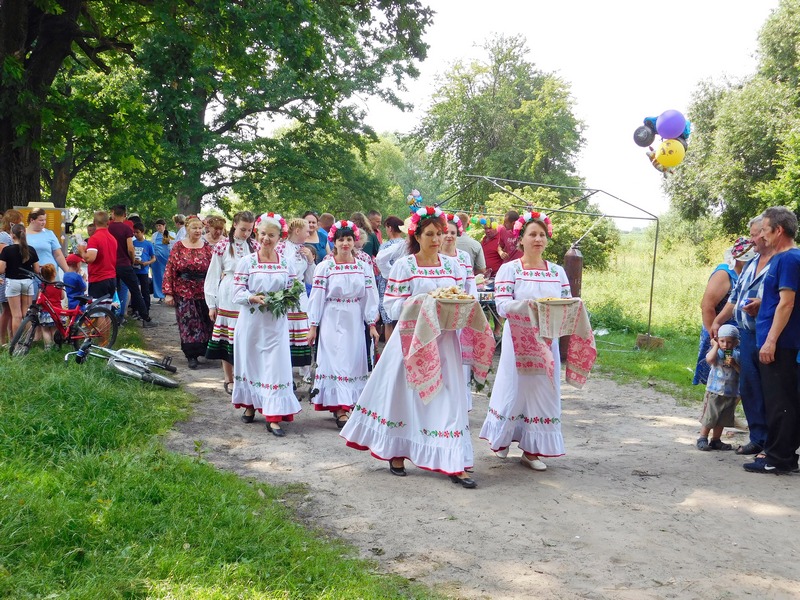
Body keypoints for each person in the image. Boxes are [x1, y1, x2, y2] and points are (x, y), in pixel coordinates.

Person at [340, 206, 477, 488]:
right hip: (411, 341)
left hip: (445, 342)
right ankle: (398, 450)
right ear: (416, 234)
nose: (437, 239)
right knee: (404, 398)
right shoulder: (405, 265)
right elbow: (389, 305)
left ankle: (454, 461)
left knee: (449, 400)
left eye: (440, 234)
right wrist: (422, 302)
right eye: (430, 234)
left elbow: (462, 296)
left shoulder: (454, 266)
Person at [479, 211, 571, 472]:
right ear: (521, 239)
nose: (538, 239)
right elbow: (502, 304)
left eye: (542, 235)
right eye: (532, 234)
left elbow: (565, 302)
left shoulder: (557, 272)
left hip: (546, 339)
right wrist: (529, 307)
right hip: (517, 339)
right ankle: (503, 438)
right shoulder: (510, 269)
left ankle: (532, 450)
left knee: (542, 390)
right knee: (514, 387)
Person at [231, 213, 302, 436]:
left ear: (279, 237)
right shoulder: (247, 262)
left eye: (271, 235)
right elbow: (237, 291)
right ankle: (250, 405)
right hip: (252, 322)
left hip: (275, 324)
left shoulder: (286, 263)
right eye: (262, 234)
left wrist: (288, 298)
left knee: (274, 367)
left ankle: (273, 416)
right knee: (252, 363)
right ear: (257, 234)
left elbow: (293, 289)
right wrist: (252, 297)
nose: (266, 239)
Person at [307, 220, 379, 429]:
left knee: (353, 360)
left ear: (354, 241)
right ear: (334, 242)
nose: (345, 243)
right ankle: (339, 408)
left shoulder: (363, 267)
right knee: (335, 360)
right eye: (341, 239)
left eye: (349, 239)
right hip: (332, 317)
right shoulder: (325, 267)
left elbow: (370, 296)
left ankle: (349, 403)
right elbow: (317, 297)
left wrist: (371, 323)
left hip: (354, 318)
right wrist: (313, 325)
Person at [744, 206, 800, 474]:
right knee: (778, 400)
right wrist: (762, 302)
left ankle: (778, 459)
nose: (761, 235)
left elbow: (787, 304)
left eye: (765, 230)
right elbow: (780, 299)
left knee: (780, 402)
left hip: (781, 343)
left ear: (779, 230)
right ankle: (783, 456)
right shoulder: (783, 259)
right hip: (774, 339)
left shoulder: (789, 259)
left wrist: (770, 341)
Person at [711, 216, 771, 455]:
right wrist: (718, 320)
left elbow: (788, 300)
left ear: (768, 235)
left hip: (769, 335)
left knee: (772, 390)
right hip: (747, 334)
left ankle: (774, 444)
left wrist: (763, 303)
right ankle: (758, 438)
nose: (752, 240)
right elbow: (735, 297)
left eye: (756, 234)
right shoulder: (752, 261)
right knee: (749, 387)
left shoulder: (782, 261)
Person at [204, 211, 257, 394]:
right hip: (228, 291)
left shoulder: (255, 246)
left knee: (247, 335)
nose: (246, 233)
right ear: (235, 224)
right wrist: (211, 303)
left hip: (249, 292)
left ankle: (246, 374)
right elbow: (212, 275)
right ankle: (229, 377)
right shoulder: (223, 246)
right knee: (227, 336)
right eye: (243, 229)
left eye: (249, 230)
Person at [692, 238, 751, 385]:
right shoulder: (724, 273)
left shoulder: (743, 274)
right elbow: (707, 306)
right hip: (720, 335)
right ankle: (714, 405)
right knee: (719, 375)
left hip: (734, 335)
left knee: (733, 374)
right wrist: (715, 337)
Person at [163, 215, 214, 369]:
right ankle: (191, 355)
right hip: (184, 291)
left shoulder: (207, 248)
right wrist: (168, 293)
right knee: (188, 323)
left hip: (204, 290)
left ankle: (205, 350)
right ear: (187, 229)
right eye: (194, 228)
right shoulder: (178, 246)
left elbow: (214, 270)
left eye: (200, 228)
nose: (198, 231)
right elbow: (170, 269)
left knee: (205, 322)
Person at [441, 213, 477, 410]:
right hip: (440, 313)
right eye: (445, 232)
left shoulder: (463, 257)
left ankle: (460, 403)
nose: (449, 236)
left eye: (453, 233)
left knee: (460, 359)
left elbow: (470, 283)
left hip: (460, 312)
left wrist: (471, 306)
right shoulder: (433, 256)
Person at [277, 218, 315, 382]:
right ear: (297, 231)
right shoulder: (280, 247)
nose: (309, 233)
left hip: (300, 294)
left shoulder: (304, 250)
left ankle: (305, 371)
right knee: (284, 329)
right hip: (283, 293)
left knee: (302, 331)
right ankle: (284, 371)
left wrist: (311, 261)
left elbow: (311, 278)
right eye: (307, 230)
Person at [108, 205, 154, 326]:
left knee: (113, 292)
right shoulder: (126, 229)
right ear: (125, 215)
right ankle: (145, 318)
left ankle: (113, 318)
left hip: (111, 264)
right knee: (135, 290)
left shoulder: (108, 227)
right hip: (124, 264)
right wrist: (132, 260)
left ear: (113, 214)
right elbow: (130, 248)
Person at [696, 324, 740, 451]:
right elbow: (709, 360)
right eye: (722, 341)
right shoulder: (717, 353)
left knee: (723, 418)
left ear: (736, 342)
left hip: (730, 392)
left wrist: (734, 364)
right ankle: (702, 438)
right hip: (715, 390)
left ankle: (716, 440)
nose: (725, 345)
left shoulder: (737, 355)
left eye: (729, 342)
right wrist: (715, 345)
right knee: (710, 416)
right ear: (717, 340)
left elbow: (742, 372)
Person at [0, 224, 40, 335]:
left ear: (12, 235)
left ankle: (16, 343)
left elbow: (1, 269)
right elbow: (37, 269)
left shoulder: (7, 250)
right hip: (27, 283)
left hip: (12, 282)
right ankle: (26, 342)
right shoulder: (31, 249)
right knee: (26, 314)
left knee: (16, 315)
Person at [376, 215, 405, 340]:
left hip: (387, 283)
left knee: (388, 321)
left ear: (390, 228)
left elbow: (380, 262)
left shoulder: (385, 246)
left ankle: (389, 349)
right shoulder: (407, 244)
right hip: (403, 282)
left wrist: (389, 274)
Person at [77, 211, 117, 300]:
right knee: (107, 310)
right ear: (108, 222)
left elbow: (90, 258)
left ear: (94, 222)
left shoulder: (94, 238)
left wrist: (82, 251)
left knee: (97, 311)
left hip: (98, 279)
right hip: (111, 278)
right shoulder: (112, 238)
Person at [0, 209, 23, 345]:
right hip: (4, 276)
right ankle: (2, 339)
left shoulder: (9, 236)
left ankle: (10, 336)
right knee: (7, 311)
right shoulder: (4, 236)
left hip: (9, 276)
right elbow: (3, 256)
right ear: (12, 223)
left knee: (9, 310)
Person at [26, 208, 69, 278]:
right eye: (41, 220)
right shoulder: (23, 234)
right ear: (32, 220)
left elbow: (58, 255)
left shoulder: (49, 233)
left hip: (50, 273)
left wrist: (67, 272)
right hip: (32, 274)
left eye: (45, 220)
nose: (44, 222)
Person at [37, 263, 65, 350]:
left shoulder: (42, 286)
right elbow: (62, 297)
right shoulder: (58, 285)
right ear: (54, 274)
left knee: (45, 330)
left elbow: (39, 298)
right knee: (54, 330)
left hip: (45, 312)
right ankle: (56, 346)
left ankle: (48, 347)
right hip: (56, 312)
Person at [132, 223, 156, 318]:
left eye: (137, 232)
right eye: (134, 232)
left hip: (144, 271)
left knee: (145, 290)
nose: (135, 234)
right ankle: (135, 309)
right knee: (134, 290)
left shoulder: (148, 244)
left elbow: (153, 258)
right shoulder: (133, 243)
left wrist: (147, 263)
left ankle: (146, 309)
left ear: (142, 232)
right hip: (134, 270)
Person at [455, 211, 486, 276]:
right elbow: (482, 270)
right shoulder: (476, 244)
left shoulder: (441, 242)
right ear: (468, 225)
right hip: (468, 281)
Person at [151, 219, 174, 301]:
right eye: (157, 226)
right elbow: (152, 246)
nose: (158, 227)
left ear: (164, 225)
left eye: (159, 226)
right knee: (158, 277)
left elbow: (174, 247)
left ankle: (168, 293)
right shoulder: (154, 235)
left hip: (167, 258)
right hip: (157, 260)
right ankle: (160, 295)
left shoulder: (170, 234)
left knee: (167, 276)